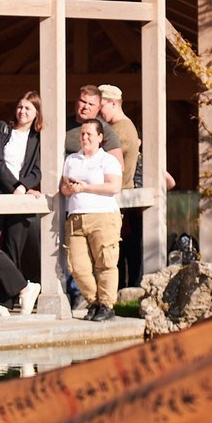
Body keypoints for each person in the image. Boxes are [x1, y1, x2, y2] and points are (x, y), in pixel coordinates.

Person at [0, 90, 44, 316]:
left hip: (20, 194)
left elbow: (37, 170)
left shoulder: (39, 138)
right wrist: (15, 186)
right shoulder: (2, 129)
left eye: (28, 108)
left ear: (36, 113)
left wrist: (23, 186)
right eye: (20, 106)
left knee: (13, 247)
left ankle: (5, 301)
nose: (22, 111)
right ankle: (25, 287)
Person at [60, 113, 124, 318]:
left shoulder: (108, 160)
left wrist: (86, 187)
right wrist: (71, 188)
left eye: (89, 134)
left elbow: (114, 186)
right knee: (77, 267)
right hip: (76, 217)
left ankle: (107, 305)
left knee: (105, 263)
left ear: (100, 137)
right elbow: (63, 188)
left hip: (103, 216)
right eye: (82, 134)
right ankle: (94, 301)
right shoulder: (71, 159)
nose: (85, 137)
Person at [97, 81, 145, 287]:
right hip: (122, 200)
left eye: (101, 106)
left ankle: (126, 292)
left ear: (114, 104)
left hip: (122, 199)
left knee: (124, 253)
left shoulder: (120, 130)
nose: (99, 112)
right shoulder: (120, 128)